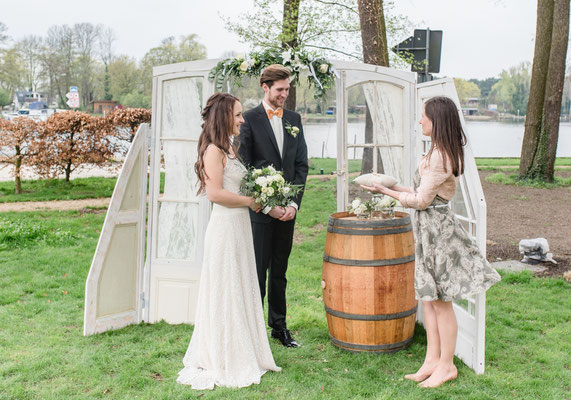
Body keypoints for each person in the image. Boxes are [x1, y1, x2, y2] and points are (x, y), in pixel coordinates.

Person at [361, 96, 501, 388]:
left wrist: (389, 194)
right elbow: (416, 190)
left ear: (436, 120)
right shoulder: (436, 151)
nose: (419, 120)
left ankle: (447, 366)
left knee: (440, 302)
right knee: (429, 299)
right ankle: (432, 361)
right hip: (428, 231)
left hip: (438, 234)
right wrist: (384, 186)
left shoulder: (440, 156)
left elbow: (421, 200)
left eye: (423, 116)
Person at [177, 92, 281, 390]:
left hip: (239, 228)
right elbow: (215, 194)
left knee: (240, 284)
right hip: (224, 228)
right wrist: (251, 201)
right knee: (226, 288)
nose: (242, 119)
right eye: (237, 114)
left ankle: (245, 347)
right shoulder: (214, 151)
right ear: (224, 117)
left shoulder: (230, 149)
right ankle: (224, 353)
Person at [238, 64, 309, 348]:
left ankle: (279, 328)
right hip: (260, 212)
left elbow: (301, 164)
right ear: (265, 87)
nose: (285, 94)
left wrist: (293, 204)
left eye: (288, 89)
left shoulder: (294, 118)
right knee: (258, 271)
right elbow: (243, 167)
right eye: (280, 90)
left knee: (280, 270)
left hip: (287, 213)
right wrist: (267, 206)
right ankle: (254, 331)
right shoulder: (248, 119)